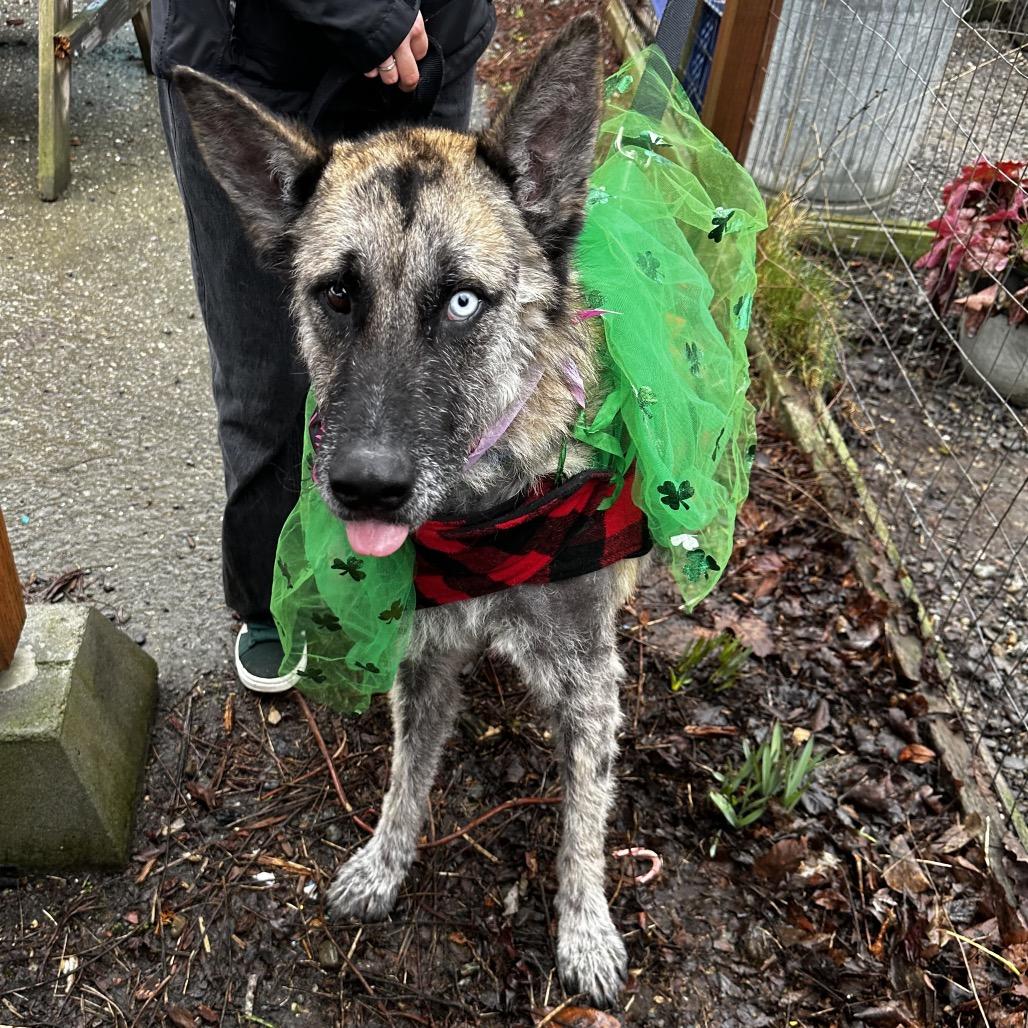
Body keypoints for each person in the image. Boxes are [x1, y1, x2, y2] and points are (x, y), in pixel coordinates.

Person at [151, 0, 497, 692]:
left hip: (425, 52)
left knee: (435, 333)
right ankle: (269, 601)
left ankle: (402, 584)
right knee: (265, 368)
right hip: (254, 52)